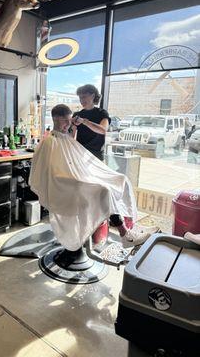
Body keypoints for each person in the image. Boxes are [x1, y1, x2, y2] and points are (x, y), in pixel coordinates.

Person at [29, 104, 151, 250]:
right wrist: (80, 179)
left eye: (70, 120)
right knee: (104, 190)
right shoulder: (50, 141)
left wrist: (72, 129)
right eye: (65, 121)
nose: (69, 123)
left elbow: (74, 159)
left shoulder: (65, 138)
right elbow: (52, 174)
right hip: (63, 186)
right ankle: (125, 235)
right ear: (55, 119)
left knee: (120, 179)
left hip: (75, 180)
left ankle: (131, 227)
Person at [71, 84, 137, 238]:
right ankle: (119, 229)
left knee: (114, 185)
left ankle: (125, 221)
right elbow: (72, 139)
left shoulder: (102, 113)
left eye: (85, 96)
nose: (82, 100)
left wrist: (85, 122)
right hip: (80, 159)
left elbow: (102, 130)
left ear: (93, 96)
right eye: (80, 97)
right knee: (99, 192)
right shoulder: (77, 114)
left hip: (96, 159)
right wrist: (73, 127)